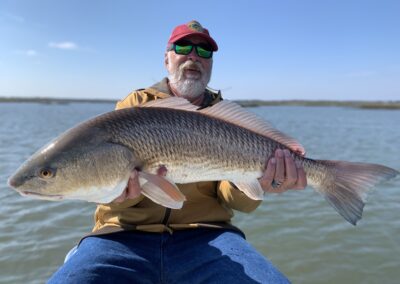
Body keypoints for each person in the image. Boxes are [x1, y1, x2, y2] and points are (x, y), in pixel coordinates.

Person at [48, 20, 307, 284]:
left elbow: (234, 202)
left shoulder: (226, 120)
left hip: (208, 237)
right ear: (166, 59)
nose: (194, 55)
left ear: (211, 64)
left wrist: (263, 183)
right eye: (183, 46)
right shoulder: (135, 106)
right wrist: (121, 195)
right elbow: (108, 185)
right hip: (123, 235)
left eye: (204, 51)